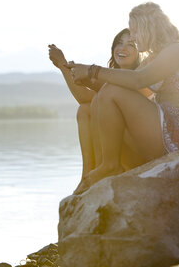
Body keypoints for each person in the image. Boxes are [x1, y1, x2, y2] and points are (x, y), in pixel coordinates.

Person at [68, 2, 179, 194]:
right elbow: (112, 94)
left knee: (112, 91)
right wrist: (80, 73)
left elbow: (138, 80)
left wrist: (93, 70)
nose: (134, 38)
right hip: (161, 130)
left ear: (148, 27)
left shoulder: (177, 50)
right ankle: (93, 171)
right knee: (87, 110)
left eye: (135, 31)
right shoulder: (155, 57)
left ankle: (110, 166)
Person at [48, 28, 146, 191]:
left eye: (131, 45)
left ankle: (104, 172)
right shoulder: (111, 76)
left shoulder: (141, 76)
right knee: (85, 111)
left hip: (139, 149)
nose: (123, 48)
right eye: (119, 43)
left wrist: (63, 66)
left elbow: (87, 98)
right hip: (121, 147)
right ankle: (87, 174)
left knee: (90, 107)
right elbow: (85, 100)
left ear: (140, 52)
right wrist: (62, 65)